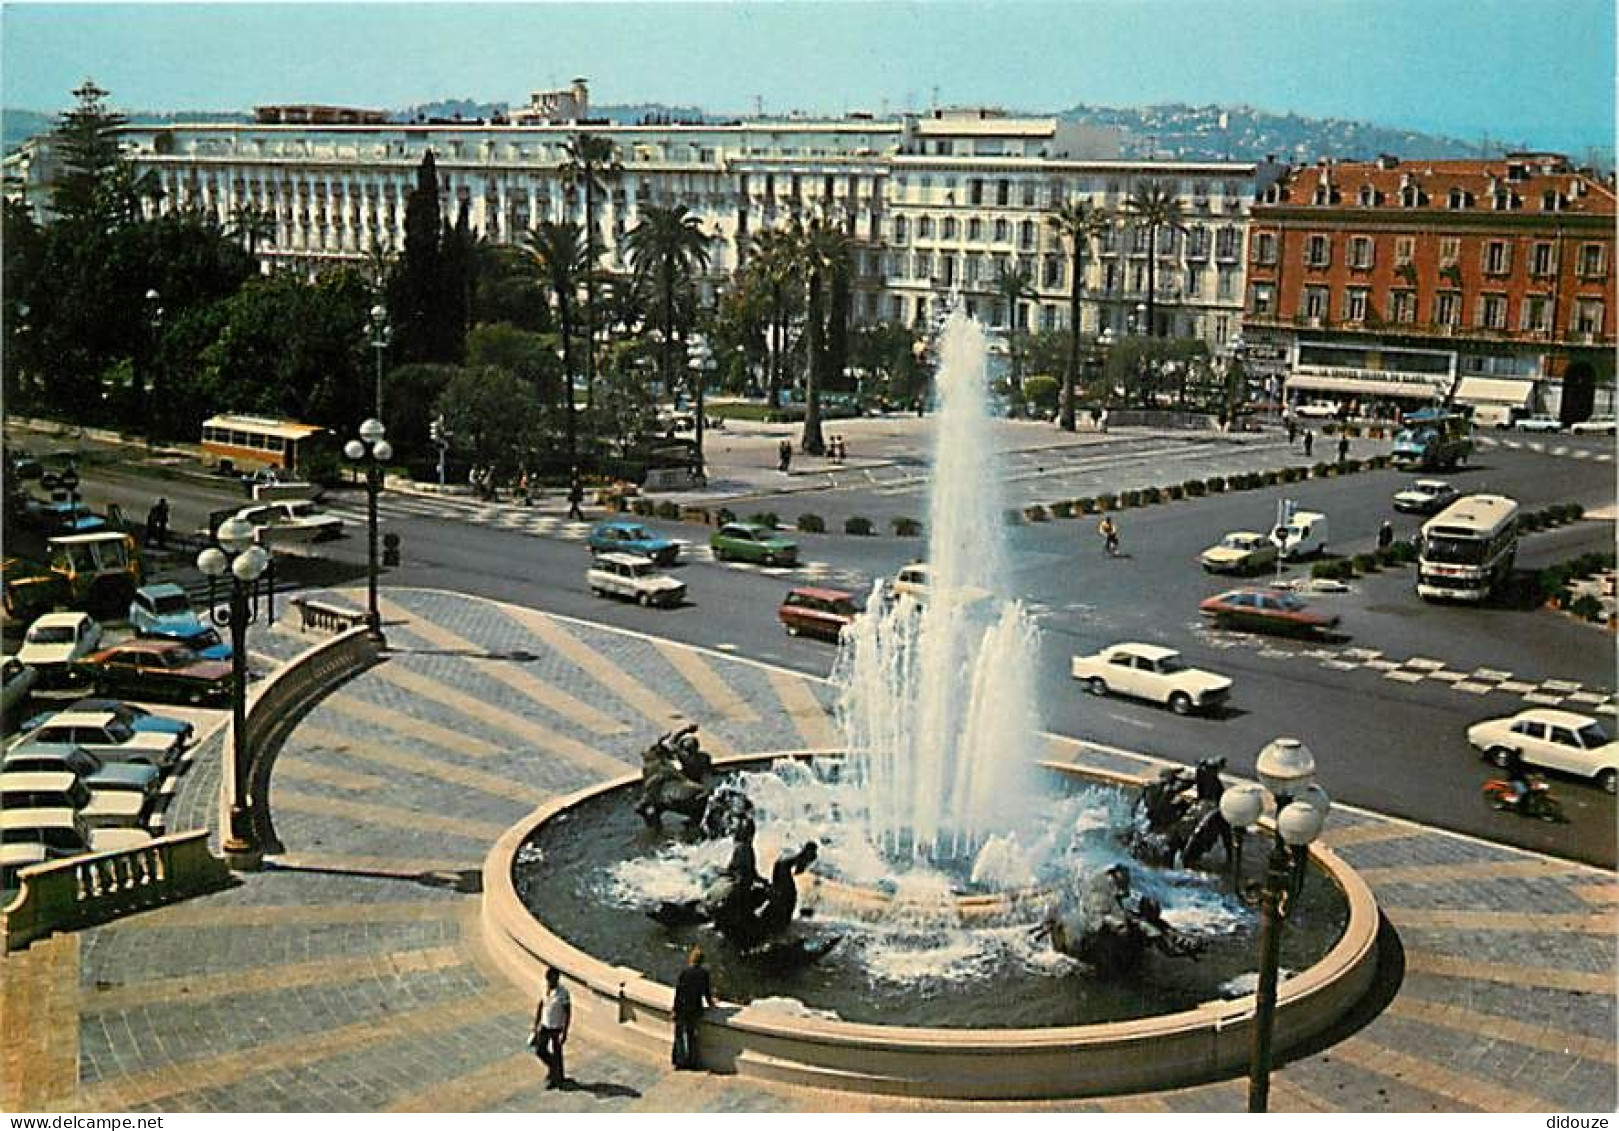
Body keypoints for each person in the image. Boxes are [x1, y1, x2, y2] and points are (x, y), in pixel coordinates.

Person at [671, 946, 716, 1070]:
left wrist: (675, 1009)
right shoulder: (704, 973)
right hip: (695, 1008)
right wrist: (711, 1004)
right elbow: (706, 992)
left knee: (679, 1035)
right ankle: (693, 1061)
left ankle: (679, 1061)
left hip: (683, 1007)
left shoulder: (685, 972)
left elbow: (679, 992)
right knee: (692, 1036)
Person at [532, 967, 571, 1089]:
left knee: (557, 1053)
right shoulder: (544, 988)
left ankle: (556, 1078)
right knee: (540, 1050)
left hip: (556, 1027)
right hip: (545, 1025)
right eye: (549, 980)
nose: (551, 983)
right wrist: (536, 1024)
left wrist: (564, 1032)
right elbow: (541, 1005)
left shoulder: (563, 993)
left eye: (553, 980)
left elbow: (568, 1012)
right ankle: (554, 1069)